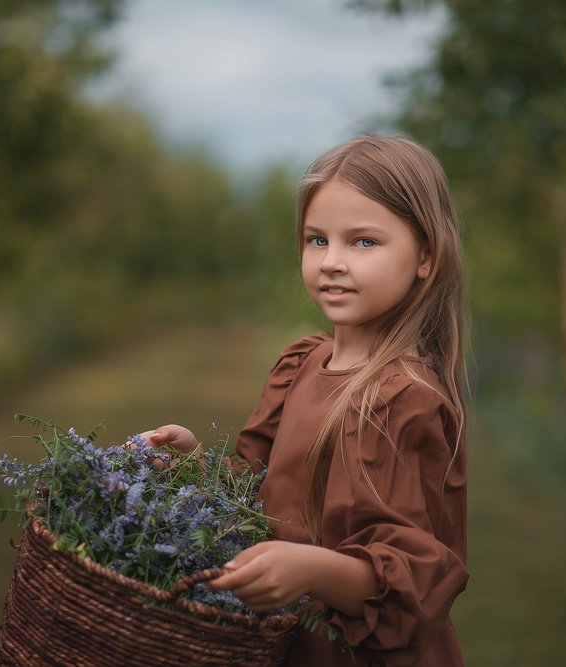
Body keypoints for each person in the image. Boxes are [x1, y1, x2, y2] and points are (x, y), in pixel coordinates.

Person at [142, 134, 468, 666]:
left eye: (364, 242)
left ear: (426, 257)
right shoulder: (300, 365)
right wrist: (196, 462)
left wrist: (312, 569)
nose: (332, 262)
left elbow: (414, 576)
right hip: (283, 642)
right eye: (318, 240)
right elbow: (261, 487)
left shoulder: (405, 400)